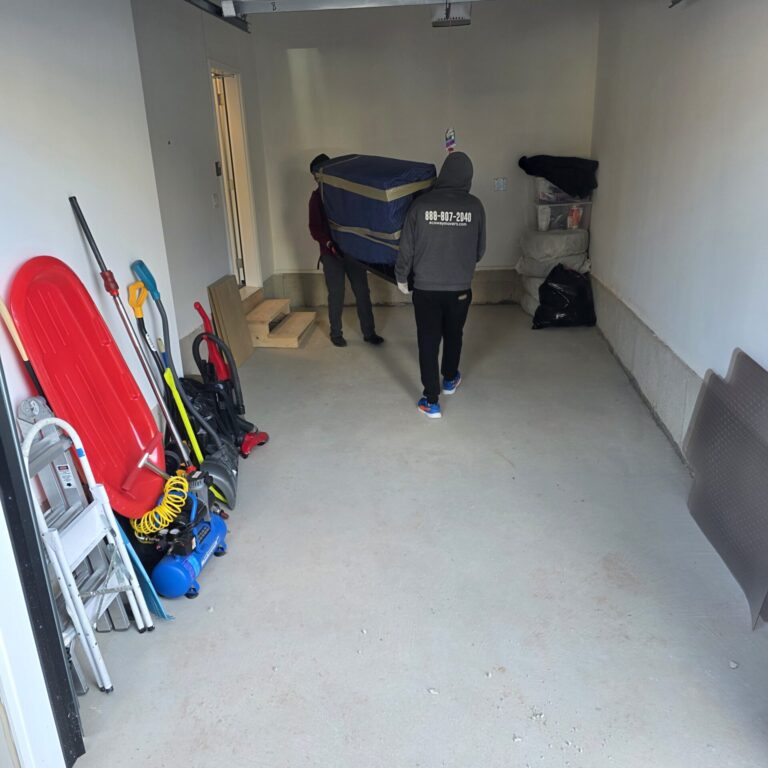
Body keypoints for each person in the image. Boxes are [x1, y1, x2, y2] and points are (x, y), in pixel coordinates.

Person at [395, 151, 486, 419]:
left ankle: (430, 400)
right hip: (460, 288)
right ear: (468, 177)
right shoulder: (475, 206)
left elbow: (406, 248)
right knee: (454, 333)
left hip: (425, 289)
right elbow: (480, 250)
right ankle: (449, 380)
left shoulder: (421, 205)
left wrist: (402, 277)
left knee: (428, 340)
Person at [308, 153, 383, 348]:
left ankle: (369, 333)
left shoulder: (346, 194)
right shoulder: (316, 198)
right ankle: (336, 334)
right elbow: (314, 228)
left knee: (362, 292)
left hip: (352, 252)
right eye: (315, 176)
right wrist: (329, 244)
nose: (318, 179)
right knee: (336, 294)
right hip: (330, 255)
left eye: (320, 174)